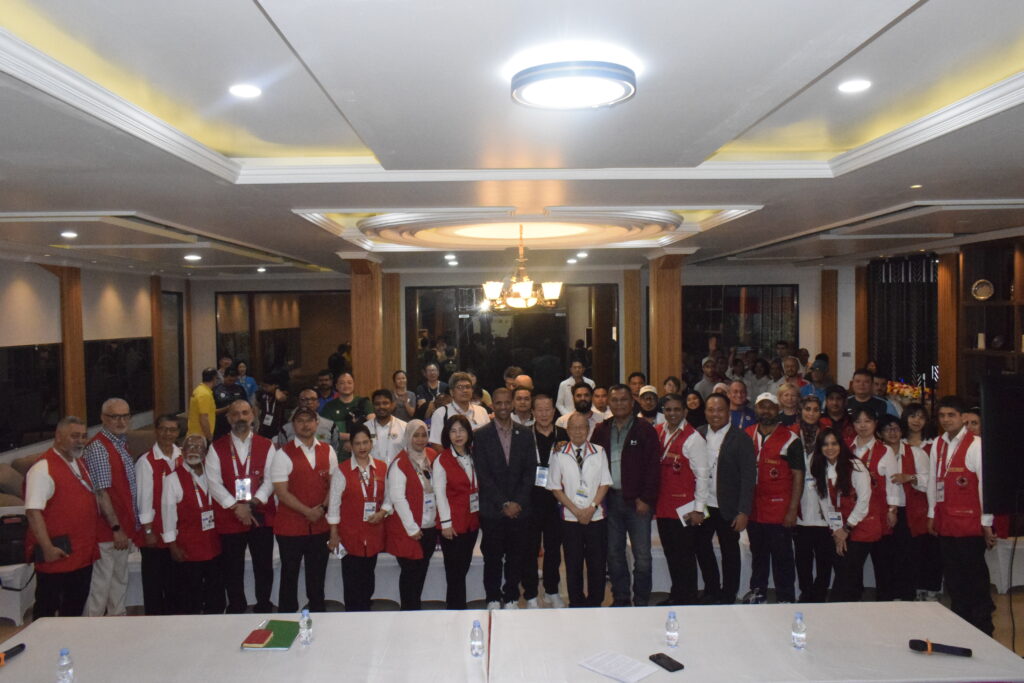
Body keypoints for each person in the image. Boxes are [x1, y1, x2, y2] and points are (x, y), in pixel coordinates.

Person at [927, 395, 995, 635]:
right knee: (953, 579)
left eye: (951, 415)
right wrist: (931, 513)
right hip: (946, 522)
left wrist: (987, 522)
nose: (946, 420)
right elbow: (933, 481)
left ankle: (983, 627)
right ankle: (961, 625)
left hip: (969, 524)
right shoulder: (937, 443)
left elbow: (985, 486)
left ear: (963, 417)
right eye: (942, 415)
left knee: (974, 578)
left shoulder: (976, 444)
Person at [592, 384, 660, 607]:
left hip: (638, 502)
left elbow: (653, 468)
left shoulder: (645, 430)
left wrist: (646, 499)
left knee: (642, 556)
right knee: (614, 554)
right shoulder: (601, 429)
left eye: (624, 400)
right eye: (615, 400)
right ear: (608, 403)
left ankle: (641, 600)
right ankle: (621, 598)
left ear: (632, 403)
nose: (619, 404)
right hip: (610, 500)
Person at [206, 399, 276, 613]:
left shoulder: (267, 445)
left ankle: (263, 604)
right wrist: (236, 507)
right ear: (228, 419)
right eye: (235, 414)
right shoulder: (216, 447)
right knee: (232, 567)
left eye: (245, 413)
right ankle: (237, 606)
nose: (241, 418)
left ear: (252, 416)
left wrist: (251, 505)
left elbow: (271, 479)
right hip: (230, 516)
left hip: (260, 514)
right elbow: (213, 482)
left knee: (263, 565)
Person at [25, 416, 99, 619]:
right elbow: (33, 512)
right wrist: (47, 548)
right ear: (58, 436)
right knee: (47, 610)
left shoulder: (79, 462)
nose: (80, 441)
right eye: (74, 436)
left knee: (74, 609)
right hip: (57, 554)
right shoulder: (43, 468)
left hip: (82, 554)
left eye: (83, 436)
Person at [473, 388, 535, 609]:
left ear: (512, 404)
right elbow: (483, 474)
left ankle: (511, 596)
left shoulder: (525, 433)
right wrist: (503, 503)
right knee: (492, 557)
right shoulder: (481, 435)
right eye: (498, 403)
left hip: (520, 509)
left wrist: (517, 502)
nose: (503, 407)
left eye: (507, 403)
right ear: (492, 405)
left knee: (516, 556)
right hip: (493, 509)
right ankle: (492, 597)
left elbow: (530, 471)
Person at [273, 408, 340, 613]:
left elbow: (334, 486)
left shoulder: (328, 451)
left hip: (319, 526)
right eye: (300, 421)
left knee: (317, 578)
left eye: (309, 420)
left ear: (316, 423)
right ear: (293, 425)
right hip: (290, 528)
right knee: (289, 576)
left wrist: (322, 508)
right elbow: (281, 492)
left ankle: (318, 616)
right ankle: (287, 618)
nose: (305, 425)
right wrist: (307, 512)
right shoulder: (282, 454)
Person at [694, 393, 755, 605]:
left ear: (728, 412)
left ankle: (728, 594)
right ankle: (711, 589)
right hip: (703, 504)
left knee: (730, 551)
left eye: (720, 410)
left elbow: (748, 477)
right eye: (711, 410)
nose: (715, 414)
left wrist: (744, 511)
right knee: (701, 546)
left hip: (728, 506)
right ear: (705, 412)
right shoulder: (699, 434)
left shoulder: (741, 438)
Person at [547, 412, 612, 607]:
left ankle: (595, 601)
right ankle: (576, 602)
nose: (578, 431)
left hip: (596, 516)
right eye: (573, 428)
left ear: (588, 429)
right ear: (567, 430)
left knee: (597, 563)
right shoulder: (559, 454)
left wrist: (591, 508)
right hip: (570, 518)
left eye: (582, 427)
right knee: (573, 563)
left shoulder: (599, 451)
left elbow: (605, 483)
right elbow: (555, 488)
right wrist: (576, 510)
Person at [742, 392, 802, 604]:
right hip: (754, 508)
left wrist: (792, 510)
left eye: (770, 407)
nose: (766, 411)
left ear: (778, 410)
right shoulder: (746, 434)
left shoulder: (791, 439)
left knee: (782, 556)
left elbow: (798, 476)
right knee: (758, 554)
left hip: (779, 509)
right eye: (762, 406)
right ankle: (758, 592)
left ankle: (786, 596)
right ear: (755, 409)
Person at [82, 397, 139, 617]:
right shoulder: (99, 447)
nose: (121, 421)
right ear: (103, 418)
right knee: (101, 586)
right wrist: (116, 528)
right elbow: (101, 493)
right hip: (108, 530)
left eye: (125, 416)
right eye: (115, 416)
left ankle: (117, 624)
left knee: (118, 581)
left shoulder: (121, 444)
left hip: (123, 527)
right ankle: (90, 630)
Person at [654, 394, 708, 606]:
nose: (672, 413)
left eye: (677, 409)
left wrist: (699, 509)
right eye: (668, 410)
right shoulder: (658, 431)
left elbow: (702, 475)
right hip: (663, 504)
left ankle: (688, 597)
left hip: (685, 507)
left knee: (685, 554)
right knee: (671, 553)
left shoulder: (694, 438)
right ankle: (677, 594)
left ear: (685, 411)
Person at [161, 434, 224, 615]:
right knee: (190, 598)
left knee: (215, 594)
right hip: (189, 548)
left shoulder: (213, 475)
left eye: (198, 447)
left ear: (205, 452)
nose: (194, 451)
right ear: (182, 451)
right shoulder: (172, 479)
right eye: (189, 447)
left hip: (214, 545)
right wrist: (172, 546)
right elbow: (168, 515)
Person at [328, 424, 388, 613]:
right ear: (350, 446)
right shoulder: (342, 470)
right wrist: (334, 533)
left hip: (373, 532)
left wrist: (382, 512)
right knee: (352, 582)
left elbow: (389, 497)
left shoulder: (382, 467)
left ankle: (366, 614)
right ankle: (352, 617)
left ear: (371, 443)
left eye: (365, 442)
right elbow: (334, 504)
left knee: (368, 579)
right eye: (357, 443)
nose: (362, 447)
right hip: (350, 535)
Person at [810, 429, 875, 603]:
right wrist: (837, 530)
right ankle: (852, 606)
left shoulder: (855, 466)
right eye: (825, 444)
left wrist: (846, 529)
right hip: (841, 527)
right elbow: (826, 504)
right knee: (845, 572)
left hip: (861, 525)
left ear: (841, 445)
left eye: (834, 443)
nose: (830, 448)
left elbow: (864, 501)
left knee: (846, 574)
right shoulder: (821, 468)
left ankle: (837, 608)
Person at [848, 406, 901, 600]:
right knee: (853, 565)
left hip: (879, 515)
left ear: (875, 424)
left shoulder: (884, 450)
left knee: (883, 564)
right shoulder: (847, 448)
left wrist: (893, 509)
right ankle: (853, 600)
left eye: (867, 421)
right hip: (853, 514)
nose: (862, 425)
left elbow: (892, 483)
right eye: (858, 421)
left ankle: (885, 602)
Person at [385, 420, 439, 610]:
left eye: (424, 435)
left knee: (421, 573)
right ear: (408, 437)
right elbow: (398, 498)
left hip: (429, 526)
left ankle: (415, 612)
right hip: (409, 530)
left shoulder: (431, 456)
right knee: (410, 575)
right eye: (416, 435)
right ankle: (408, 611)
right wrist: (412, 528)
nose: (420, 439)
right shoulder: (400, 463)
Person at [522, 394, 568, 608]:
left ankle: (552, 590)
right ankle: (531, 594)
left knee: (553, 549)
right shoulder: (524, 435)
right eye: (539, 410)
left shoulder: (564, 435)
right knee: (529, 549)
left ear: (554, 411)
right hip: (530, 500)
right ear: (532, 412)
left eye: (547, 409)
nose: (543, 414)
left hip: (556, 501)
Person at [878, 415, 931, 602]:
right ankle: (887, 596)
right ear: (880, 433)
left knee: (907, 556)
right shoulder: (876, 452)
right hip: (882, 511)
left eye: (896, 429)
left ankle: (907, 597)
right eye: (887, 429)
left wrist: (909, 477)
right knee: (885, 556)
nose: (892, 433)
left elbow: (928, 481)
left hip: (908, 511)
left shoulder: (916, 453)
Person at [135, 413, 181, 615]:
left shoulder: (183, 457)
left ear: (178, 432)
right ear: (156, 431)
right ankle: (153, 622)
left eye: (172, 430)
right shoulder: (146, 461)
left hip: (178, 531)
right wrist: (148, 531)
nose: (167, 434)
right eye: (163, 429)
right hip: (154, 532)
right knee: (154, 584)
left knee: (174, 582)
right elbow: (143, 499)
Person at [434, 414, 481, 610]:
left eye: (461, 430)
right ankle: (456, 610)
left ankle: (457, 608)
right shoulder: (442, 459)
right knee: (454, 573)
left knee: (462, 570)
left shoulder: (474, 455)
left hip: (472, 522)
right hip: (452, 526)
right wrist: (446, 523)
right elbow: (439, 493)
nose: (458, 435)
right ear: (447, 435)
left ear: (468, 433)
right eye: (453, 431)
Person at [791, 396, 832, 603]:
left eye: (816, 409)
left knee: (825, 556)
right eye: (807, 409)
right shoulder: (791, 433)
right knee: (803, 556)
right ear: (801, 410)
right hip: (800, 501)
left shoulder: (827, 434)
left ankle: (821, 592)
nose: (811, 413)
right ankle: (806, 592)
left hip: (824, 499)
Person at [901, 402, 942, 600]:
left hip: (931, 504)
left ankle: (932, 588)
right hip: (906, 505)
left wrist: (912, 478)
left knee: (932, 549)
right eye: (912, 416)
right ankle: (915, 589)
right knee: (911, 551)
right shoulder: (897, 443)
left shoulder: (934, 445)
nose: (916, 421)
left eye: (921, 417)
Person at [428, 372, 490, 451]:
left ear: (472, 390)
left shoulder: (482, 411)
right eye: (460, 387)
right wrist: (456, 458)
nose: (465, 390)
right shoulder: (441, 413)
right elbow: (436, 445)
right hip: (453, 458)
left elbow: (490, 439)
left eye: (468, 387)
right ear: (451, 392)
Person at [320, 371, 373, 460]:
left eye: (349, 382)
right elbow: (324, 432)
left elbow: (373, 425)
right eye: (342, 383)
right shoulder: (329, 407)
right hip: (338, 453)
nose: (346, 385)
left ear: (354, 384)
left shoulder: (365, 403)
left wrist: (353, 440)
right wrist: (350, 437)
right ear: (336, 386)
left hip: (363, 451)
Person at [276, 388, 341, 454]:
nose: (309, 402)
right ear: (298, 402)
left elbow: (335, 451)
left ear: (318, 403)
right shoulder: (286, 429)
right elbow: (282, 453)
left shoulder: (330, 426)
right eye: (305, 399)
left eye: (313, 399)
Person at [365, 389, 407, 465]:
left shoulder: (404, 427)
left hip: (397, 471)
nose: (381, 406)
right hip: (372, 471)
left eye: (385, 403)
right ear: (373, 406)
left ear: (392, 405)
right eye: (377, 404)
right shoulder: (364, 428)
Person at [213, 366, 249, 439]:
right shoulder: (216, 390)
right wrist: (227, 408)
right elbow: (211, 411)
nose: (231, 382)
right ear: (224, 377)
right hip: (221, 424)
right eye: (229, 380)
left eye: (234, 380)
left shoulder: (240, 389)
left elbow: (246, 405)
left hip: (237, 423)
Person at [255, 373, 288, 441]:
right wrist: (257, 418)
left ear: (274, 385)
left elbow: (279, 398)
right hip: (264, 425)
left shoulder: (281, 393)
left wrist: (277, 389)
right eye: (263, 386)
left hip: (277, 425)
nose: (264, 388)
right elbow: (257, 405)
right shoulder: (262, 394)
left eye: (266, 386)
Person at [188, 368, 218, 442]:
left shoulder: (199, 390)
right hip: (200, 436)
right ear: (214, 378)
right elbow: (203, 418)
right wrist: (209, 436)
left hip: (196, 434)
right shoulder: (204, 394)